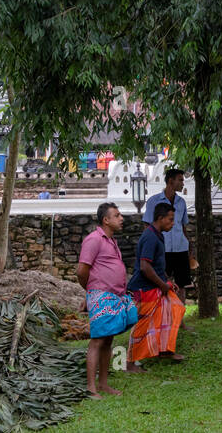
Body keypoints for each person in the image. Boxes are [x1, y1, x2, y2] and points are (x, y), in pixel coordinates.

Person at [76, 202, 137, 398]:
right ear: (106, 220)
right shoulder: (93, 240)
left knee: (108, 339)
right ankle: (90, 387)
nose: (121, 219)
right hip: (102, 296)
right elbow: (81, 271)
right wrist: (92, 292)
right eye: (117, 215)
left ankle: (103, 383)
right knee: (97, 340)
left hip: (115, 296)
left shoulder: (111, 241)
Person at [127, 201, 187, 366]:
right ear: (160, 218)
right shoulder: (150, 237)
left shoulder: (157, 235)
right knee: (142, 324)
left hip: (156, 286)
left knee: (174, 309)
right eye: (170, 219)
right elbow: (145, 267)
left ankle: (165, 350)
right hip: (144, 289)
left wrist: (167, 281)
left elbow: (156, 265)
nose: (173, 223)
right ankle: (130, 363)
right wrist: (162, 285)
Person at [144, 168, 195, 331]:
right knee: (161, 284)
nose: (182, 183)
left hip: (180, 248)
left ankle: (179, 321)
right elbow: (147, 226)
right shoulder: (153, 201)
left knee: (182, 285)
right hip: (162, 250)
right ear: (170, 181)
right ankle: (161, 319)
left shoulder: (181, 202)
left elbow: (183, 226)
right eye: (180, 180)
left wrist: (189, 247)